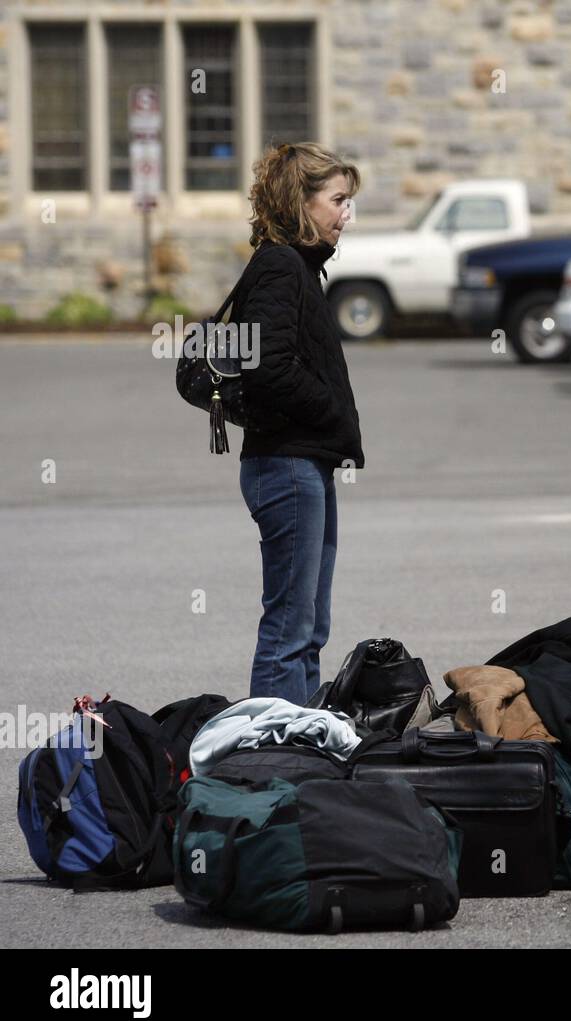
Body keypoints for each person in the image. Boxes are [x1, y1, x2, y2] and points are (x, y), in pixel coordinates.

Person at [235, 142, 363, 705]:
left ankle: (301, 747)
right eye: (337, 200)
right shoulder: (280, 267)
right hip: (285, 466)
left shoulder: (300, 269)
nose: (345, 214)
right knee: (290, 629)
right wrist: (332, 412)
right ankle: (270, 758)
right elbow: (268, 367)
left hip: (304, 463)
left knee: (309, 628)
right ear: (301, 202)